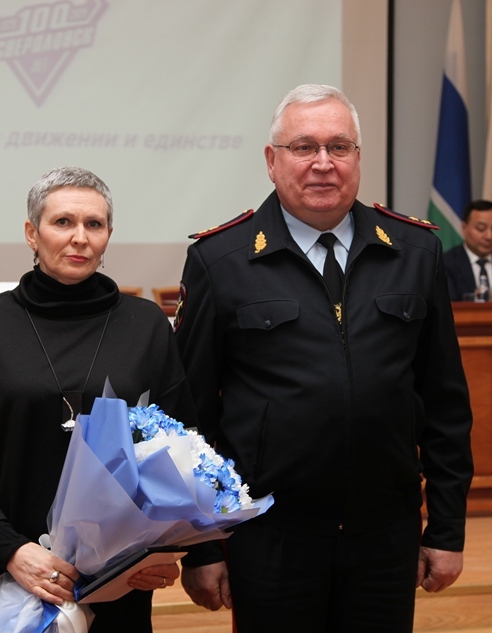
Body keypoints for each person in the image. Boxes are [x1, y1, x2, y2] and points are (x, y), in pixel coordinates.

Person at [173, 84, 474, 632]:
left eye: (339, 147)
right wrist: (202, 547)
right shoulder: (221, 260)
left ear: (358, 157)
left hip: (386, 535)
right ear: (272, 161)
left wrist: (447, 529)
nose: (323, 163)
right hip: (269, 536)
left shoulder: (415, 252)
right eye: (303, 147)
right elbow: (192, 418)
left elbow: (445, 403)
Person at [0, 166, 193, 632]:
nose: (79, 237)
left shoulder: (146, 326)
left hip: (115, 580)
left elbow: (179, 451)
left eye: (94, 224)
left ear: (108, 236)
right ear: (32, 233)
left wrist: (163, 551)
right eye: (63, 222)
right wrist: (11, 549)